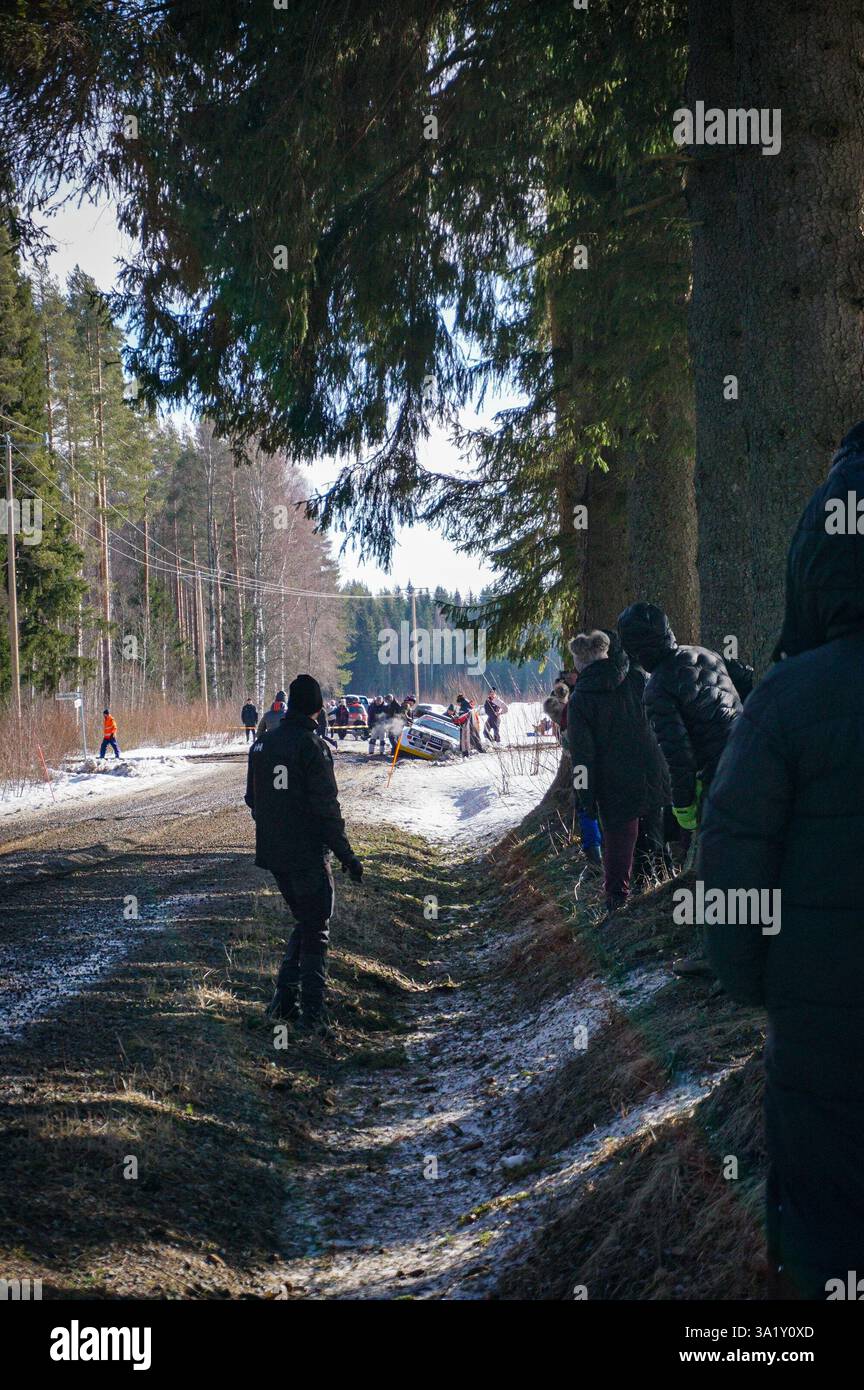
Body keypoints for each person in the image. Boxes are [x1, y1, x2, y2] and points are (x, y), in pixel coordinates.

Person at [700, 421, 864, 1299]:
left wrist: (761, 982)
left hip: (825, 1041)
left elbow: (729, 867)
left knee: (824, 1236)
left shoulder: (784, 702)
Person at [617, 602, 741, 974]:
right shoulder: (706, 653)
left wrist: (683, 808)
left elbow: (679, 757)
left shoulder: (658, 688)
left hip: (720, 780)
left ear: (637, 649)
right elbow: (744, 687)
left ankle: (718, 957)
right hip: (753, 760)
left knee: (715, 869)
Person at [245, 673, 363, 1033]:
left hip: (274, 851)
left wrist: (274, 823)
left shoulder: (262, 744)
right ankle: (312, 1013)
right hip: (307, 852)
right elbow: (326, 809)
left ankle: (283, 1002)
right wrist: (347, 856)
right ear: (317, 708)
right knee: (317, 926)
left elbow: (252, 798)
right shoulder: (313, 746)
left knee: (307, 920)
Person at [567, 630, 670, 914]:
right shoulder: (637, 678)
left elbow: (582, 757)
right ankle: (658, 895)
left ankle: (617, 906)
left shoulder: (580, 699)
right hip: (653, 771)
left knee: (618, 847)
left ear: (580, 663)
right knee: (654, 838)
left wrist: (585, 797)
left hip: (615, 784)